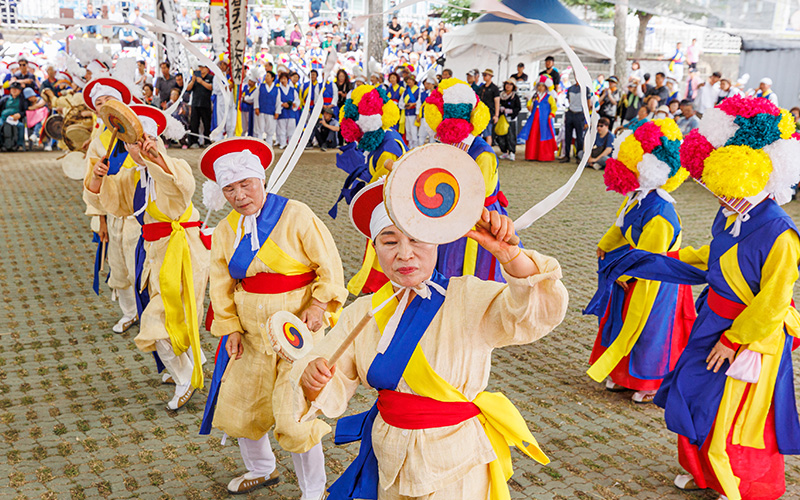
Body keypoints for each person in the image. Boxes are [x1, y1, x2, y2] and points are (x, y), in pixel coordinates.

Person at [294, 178, 569, 500]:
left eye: (417, 240)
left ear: (438, 242)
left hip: (457, 460)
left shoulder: (468, 297)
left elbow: (533, 311)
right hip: (389, 452)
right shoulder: (364, 312)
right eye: (389, 242)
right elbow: (329, 373)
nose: (404, 254)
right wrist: (313, 380)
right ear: (374, 248)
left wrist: (510, 256)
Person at [594, 95, 800, 500]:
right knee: (692, 393)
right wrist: (646, 260)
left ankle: (736, 480)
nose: (716, 194)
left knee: (735, 413)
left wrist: (733, 340)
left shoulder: (781, 233)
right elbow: (709, 259)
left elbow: (774, 302)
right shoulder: (730, 212)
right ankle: (700, 468)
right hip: (713, 320)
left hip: (750, 337)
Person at [199, 137, 347, 496]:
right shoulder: (224, 231)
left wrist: (318, 305)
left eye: (246, 184)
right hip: (250, 337)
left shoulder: (296, 214)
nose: (239, 195)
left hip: (297, 335)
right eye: (229, 189)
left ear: (261, 181)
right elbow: (220, 283)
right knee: (240, 408)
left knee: (295, 417)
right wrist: (230, 327)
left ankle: (314, 490)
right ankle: (261, 469)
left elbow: (328, 266)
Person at [85, 103, 209, 410]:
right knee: (172, 314)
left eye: (140, 143)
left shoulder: (173, 165)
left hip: (184, 251)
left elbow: (183, 188)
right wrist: (99, 176)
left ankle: (184, 377)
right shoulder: (133, 177)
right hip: (155, 252)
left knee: (157, 320)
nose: (135, 149)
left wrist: (157, 159)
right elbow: (114, 202)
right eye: (130, 144)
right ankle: (192, 364)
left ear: (155, 141)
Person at [586, 116, 693, 403]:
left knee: (651, 331)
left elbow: (650, 258)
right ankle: (625, 376)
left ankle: (650, 382)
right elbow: (621, 226)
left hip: (657, 281)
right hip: (634, 272)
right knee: (624, 323)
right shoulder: (637, 197)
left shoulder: (660, 213)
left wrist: (623, 273)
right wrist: (605, 246)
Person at [423, 78, 512, 282]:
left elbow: (479, 195)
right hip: (449, 212)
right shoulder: (445, 146)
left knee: (470, 267)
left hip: (478, 218)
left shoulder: (483, 154)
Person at [334, 84, 407, 295]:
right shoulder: (383, 139)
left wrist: (363, 188)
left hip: (391, 208)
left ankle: (385, 283)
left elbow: (384, 182)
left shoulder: (389, 145)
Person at [522, 75, 557, 162]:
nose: (541, 88)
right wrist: (529, 106)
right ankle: (531, 155)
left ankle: (544, 156)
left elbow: (554, 107)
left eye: (542, 86)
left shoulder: (549, 97)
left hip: (544, 121)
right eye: (539, 86)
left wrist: (552, 114)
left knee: (545, 136)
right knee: (533, 136)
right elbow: (529, 104)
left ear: (546, 87)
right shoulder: (534, 96)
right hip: (534, 121)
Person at [560, 79, 591, 163]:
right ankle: (567, 155)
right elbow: (568, 100)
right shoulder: (570, 88)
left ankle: (579, 155)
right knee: (568, 136)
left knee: (579, 136)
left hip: (579, 114)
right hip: (570, 113)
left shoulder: (586, 89)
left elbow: (588, 103)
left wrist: (586, 115)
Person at [186, 65, 214, 148]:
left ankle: (207, 141)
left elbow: (211, 87)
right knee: (194, 123)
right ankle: (194, 141)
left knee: (206, 123)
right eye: (200, 68)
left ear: (207, 69)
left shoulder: (211, 77)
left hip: (206, 104)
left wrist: (201, 82)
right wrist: (193, 80)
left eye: (203, 67)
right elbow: (188, 89)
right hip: (195, 103)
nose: (201, 69)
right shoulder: (195, 77)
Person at [495, 79, 521, 161]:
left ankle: (512, 152)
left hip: (511, 119)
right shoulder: (500, 95)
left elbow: (518, 108)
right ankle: (504, 151)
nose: (508, 86)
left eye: (510, 84)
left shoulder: (515, 97)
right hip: (501, 119)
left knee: (511, 136)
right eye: (507, 84)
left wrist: (511, 111)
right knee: (501, 136)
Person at [276, 72, 300, 149]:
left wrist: (294, 104)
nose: (283, 80)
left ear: (287, 80)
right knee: (281, 128)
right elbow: (276, 100)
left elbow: (297, 100)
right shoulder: (278, 89)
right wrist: (282, 104)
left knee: (291, 128)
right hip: (282, 111)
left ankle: (291, 143)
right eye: (282, 79)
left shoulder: (292, 90)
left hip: (291, 112)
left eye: (285, 79)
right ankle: (282, 143)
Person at [253, 70, 278, 145]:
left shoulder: (276, 89)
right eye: (265, 76)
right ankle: (259, 144)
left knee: (270, 130)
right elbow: (256, 97)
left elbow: (278, 101)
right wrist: (256, 107)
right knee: (260, 129)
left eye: (268, 76)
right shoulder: (261, 86)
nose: (266, 77)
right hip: (261, 111)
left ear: (272, 78)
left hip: (271, 111)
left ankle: (269, 145)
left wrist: (277, 111)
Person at [0, 82, 26, 151]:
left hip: (15, 119)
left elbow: (25, 111)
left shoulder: (22, 100)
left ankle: (19, 144)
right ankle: (1, 144)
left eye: (16, 89)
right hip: (4, 118)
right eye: (12, 89)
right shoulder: (5, 99)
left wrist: (20, 114)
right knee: (0, 124)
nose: (14, 91)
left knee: (21, 126)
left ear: (20, 91)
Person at [477, 69, 500, 147]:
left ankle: (488, 149)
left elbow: (497, 102)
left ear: (490, 76)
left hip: (490, 113)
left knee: (488, 132)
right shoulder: (482, 87)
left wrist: (496, 115)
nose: (484, 76)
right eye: (483, 75)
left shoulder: (494, 88)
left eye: (485, 75)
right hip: (481, 112)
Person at [401, 74, 419, 148]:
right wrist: (405, 105)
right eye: (407, 80)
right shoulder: (405, 91)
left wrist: (413, 104)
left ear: (414, 81)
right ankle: (410, 147)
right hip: (406, 113)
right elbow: (400, 102)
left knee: (414, 131)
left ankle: (415, 147)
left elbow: (420, 102)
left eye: (410, 80)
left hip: (414, 113)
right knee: (408, 131)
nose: (408, 81)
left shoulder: (418, 90)